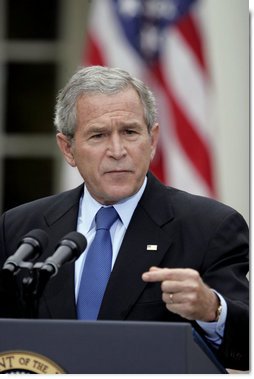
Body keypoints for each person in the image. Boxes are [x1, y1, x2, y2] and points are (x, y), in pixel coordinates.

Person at [0, 66, 249, 371]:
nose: (117, 151)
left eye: (130, 132)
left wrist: (212, 309)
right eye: (98, 135)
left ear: (152, 139)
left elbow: (247, 345)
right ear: (68, 149)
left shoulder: (210, 227)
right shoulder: (20, 228)